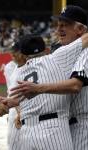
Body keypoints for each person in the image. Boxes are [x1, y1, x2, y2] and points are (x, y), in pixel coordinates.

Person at [9, 5, 88, 150]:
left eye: (65, 25)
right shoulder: (62, 55)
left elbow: (75, 85)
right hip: (66, 125)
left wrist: (39, 89)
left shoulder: (85, 53)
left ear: (81, 30)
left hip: (82, 124)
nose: (59, 30)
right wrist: (19, 107)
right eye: (58, 25)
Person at [4, 35, 46, 150]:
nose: (13, 57)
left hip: (32, 110)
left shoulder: (32, 65)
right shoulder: (11, 68)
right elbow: (12, 93)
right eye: (11, 54)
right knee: (15, 143)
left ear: (22, 53)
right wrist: (18, 113)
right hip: (17, 109)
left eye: (15, 54)